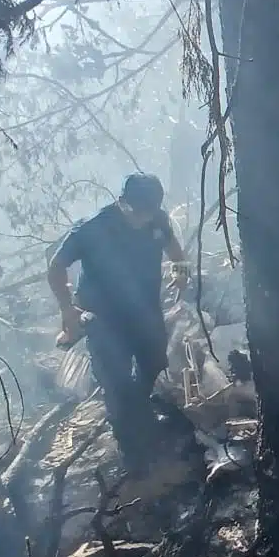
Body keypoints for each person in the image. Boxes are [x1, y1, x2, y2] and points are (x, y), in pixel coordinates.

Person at [47, 172, 190, 470]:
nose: (142, 220)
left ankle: (140, 413)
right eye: (137, 213)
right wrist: (66, 308)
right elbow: (56, 265)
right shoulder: (92, 228)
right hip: (104, 318)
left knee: (154, 363)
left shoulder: (157, 220)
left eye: (148, 213)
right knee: (116, 382)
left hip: (144, 311)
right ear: (122, 202)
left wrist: (181, 271)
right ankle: (134, 456)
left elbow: (175, 251)